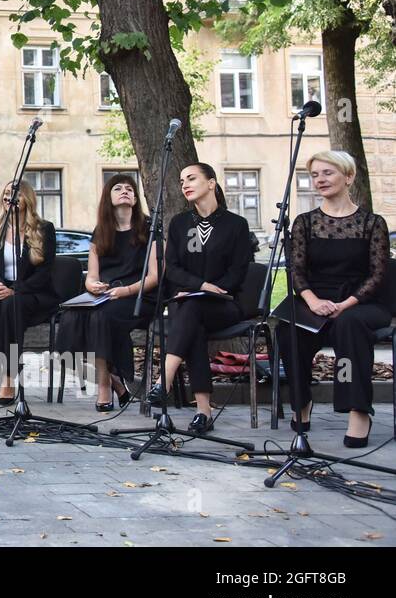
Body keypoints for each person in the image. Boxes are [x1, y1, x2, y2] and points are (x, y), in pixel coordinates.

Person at [275, 151, 390, 448]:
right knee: (288, 328)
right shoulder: (304, 222)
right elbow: (296, 271)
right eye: (314, 175)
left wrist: (346, 304)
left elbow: (378, 275)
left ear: (348, 176)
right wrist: (312, 302)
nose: (320, 180)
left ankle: (358, 411)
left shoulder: (372, 223)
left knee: (348, 325)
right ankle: (302, 402)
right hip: (316, 298)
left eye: (327, 173)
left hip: (362, 301)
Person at [150, 162, 256, 435]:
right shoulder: (180, 223)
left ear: (211, 183)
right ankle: (203, 411)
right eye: (182, 179)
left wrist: (210, 289)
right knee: (191, 317)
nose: (184, 184)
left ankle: (165, 379)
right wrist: (200, 286)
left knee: (191, 310)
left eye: (192, 178)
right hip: (189, 302)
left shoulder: (236, 225)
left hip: (225, 304)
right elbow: (172, 268)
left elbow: (238, 271)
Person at [54, 174, 157, 410]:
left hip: (139, 296)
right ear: (108, 197)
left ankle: (103, 385)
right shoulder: (101, 231)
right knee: (72, 315)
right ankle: (116, 384)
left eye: (130, 188)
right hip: (106, 295)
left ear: (135, 197)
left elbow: (154, 276)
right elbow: (92, 276)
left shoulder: (149, 227)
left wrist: (126, 290)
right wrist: (92, 286)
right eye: (118, 188)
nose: (125, 191)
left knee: (100, 317)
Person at [0, 180, 58, 404]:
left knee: (12, 305)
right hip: (2, 289)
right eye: (6, 192)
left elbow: (44, 272)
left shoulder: (44, 229)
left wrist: (15, 290)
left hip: (32, 292)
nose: (8, 197)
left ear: (27, 199)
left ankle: (10, 378)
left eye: (15, 194)